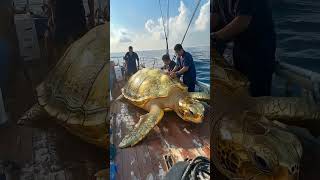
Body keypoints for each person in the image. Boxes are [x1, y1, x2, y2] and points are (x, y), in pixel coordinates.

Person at [211, 0, 276, 97]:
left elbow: (242, 21)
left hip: (259, 46)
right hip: (240, 44)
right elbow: (216, 15)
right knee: (242, 82)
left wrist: (214, 37)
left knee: (258, 90)